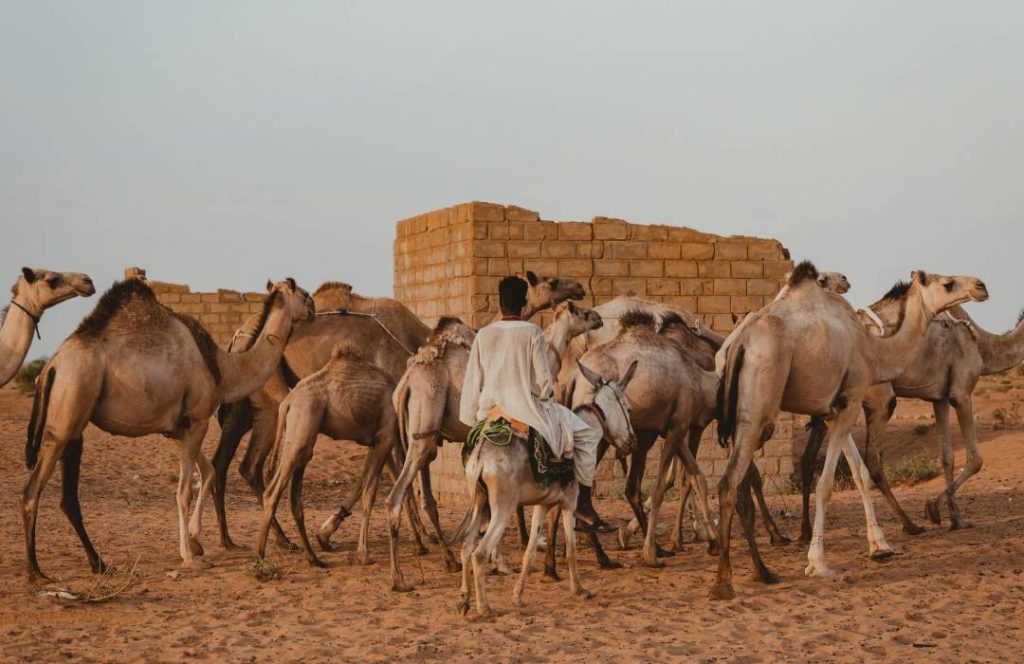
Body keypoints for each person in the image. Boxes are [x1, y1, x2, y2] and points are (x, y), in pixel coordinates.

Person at [459, 275, 609, 530]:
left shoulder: (483, 335)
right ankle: (583, 503)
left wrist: (474, 418)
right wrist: (547, 397)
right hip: (526, 409)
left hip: (490, 412)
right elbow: (543, 383)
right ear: (524, 304)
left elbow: (472, 382)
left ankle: (483, 508)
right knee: (585, 434)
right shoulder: (532, 333)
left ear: (501, 303)